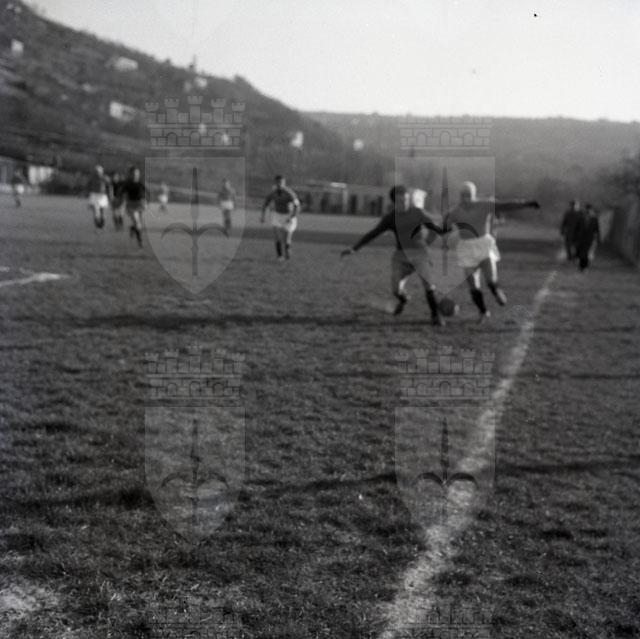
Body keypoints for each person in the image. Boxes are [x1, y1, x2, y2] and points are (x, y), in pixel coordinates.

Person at [341, 185, 446, 326]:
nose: (404, 203)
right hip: (401, 256)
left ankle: (436, 315)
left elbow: (434, 229)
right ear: (394, 203)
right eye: (400, 201)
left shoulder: (418, 213)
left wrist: (427, 242)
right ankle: (403, 299)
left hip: (420, 254)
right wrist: (354, 248)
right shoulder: (390, 218)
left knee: (428, 284)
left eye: (406, 200)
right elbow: (373, 233)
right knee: (396, 289)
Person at [444, 181, 540, 321]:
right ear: (460, 196)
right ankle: (483, 312)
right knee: (473, 284)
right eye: (463, 195)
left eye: (468, 195)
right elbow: (443, 227)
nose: (466, 199)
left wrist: (525, 203)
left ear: (474, 195)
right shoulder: (455, 212)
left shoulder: (485, 205)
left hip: (483, 245)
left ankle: (496, 290)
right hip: (466, 248)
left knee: (490, 279)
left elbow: (506, 205)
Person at [261, 175, 300, 261]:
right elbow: (265, 204)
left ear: (284, 183)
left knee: (286, 239)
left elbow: (297, 206)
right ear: (275, 183)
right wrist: (263, 216)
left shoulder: (289, 193)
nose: (279, 184)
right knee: (277, 236)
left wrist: (292, 216)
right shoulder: (273, 193)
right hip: (277, 215)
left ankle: (287, 250)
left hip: (288, 216)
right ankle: (280, 256)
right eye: (278, 182)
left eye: (281, 182)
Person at [121, 166, 147, 247]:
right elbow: (121, 193)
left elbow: (146, 193)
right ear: (130, 174)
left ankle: (133, 228)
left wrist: (146, 202)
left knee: (139, 223)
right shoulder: (127, 184)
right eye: (134, 174)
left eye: (137, 173)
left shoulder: (141, 183)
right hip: (131, 205)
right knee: (137, 221)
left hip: (140, 204)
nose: (136, 175)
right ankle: (140, 240)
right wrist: (122, 201)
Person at [575, 204, 600, 271]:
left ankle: (585, 266)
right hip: (581, 238)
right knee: (582, 253)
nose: (588, 211)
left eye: (589, 210)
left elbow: (597, 230)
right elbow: (577, 228)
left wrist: (597, 239)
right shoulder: (581, 218)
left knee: (587, 253)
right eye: (587, 210)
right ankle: (581, 266)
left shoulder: (594, 219)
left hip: (589, 239)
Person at [87, 165, 112, 229]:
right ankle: (97, 225)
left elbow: (110, 187)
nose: (97, 173)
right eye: (96, 171)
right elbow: (88, 186)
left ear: (102, 171)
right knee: (96, 212)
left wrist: (110, 195)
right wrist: (87, 193)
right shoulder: (91, 178)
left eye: (99, 171)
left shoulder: (105, 178)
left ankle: (102, 226)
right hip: (94, 196)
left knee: (103, 213)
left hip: (102, 196)